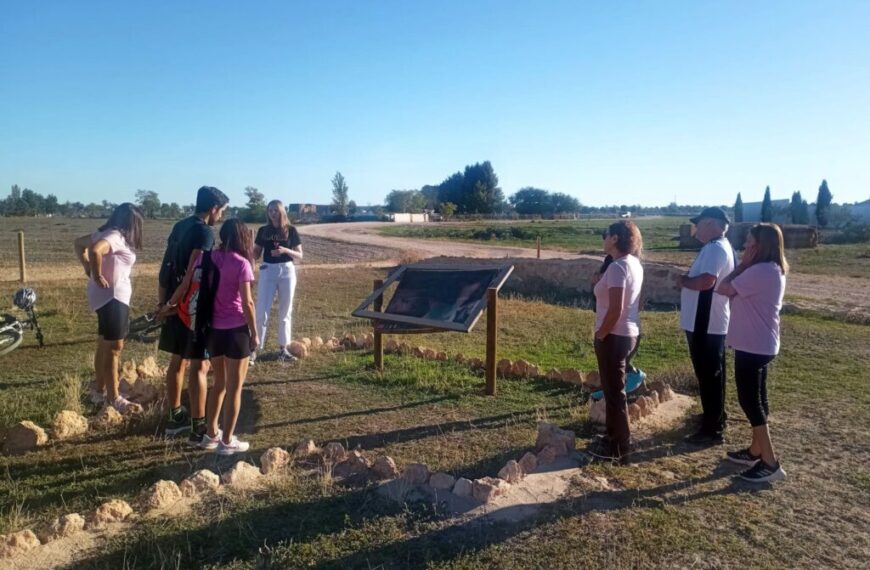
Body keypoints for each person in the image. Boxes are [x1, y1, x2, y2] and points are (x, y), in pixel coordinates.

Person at [165, 219, 258, 454]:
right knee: (235, 388)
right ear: (243, 237)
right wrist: (254, 333)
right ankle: (227, 441)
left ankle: (210, 433)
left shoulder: (206, 258)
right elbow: (247, 302)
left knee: (219, 384)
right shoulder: (242, 264)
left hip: (213, 330)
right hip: (236, 330)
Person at [717, 224, 788, 482]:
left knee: (750, 401)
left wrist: (742, 265)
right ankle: (756, 449)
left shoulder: (758, 270)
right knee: (759, 397)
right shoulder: (773, 269)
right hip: (761, 343)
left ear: (760, 245)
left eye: (749, 242)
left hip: (753, 345)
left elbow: (723, 287)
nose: (745, 246)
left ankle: (769, 462)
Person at [157, 186, 229, 441]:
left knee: (177, 360)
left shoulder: (179, 227)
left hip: (173, 301)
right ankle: (198, 425)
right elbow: (193, 275)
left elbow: (166, 267)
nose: (220, 216)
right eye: (221, 211)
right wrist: (178, 302)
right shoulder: (205, 233)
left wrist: (164, 302)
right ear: (213, 209)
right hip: (193, 307)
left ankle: (174, 415)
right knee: (200, 365)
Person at [74, 203, 144, 413]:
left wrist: (87, 266)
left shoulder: (102, 233)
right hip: (113, 298)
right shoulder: (115, 237)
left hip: (104, 298)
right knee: (115, 348)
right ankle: (114, 398)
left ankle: (99, 389)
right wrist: (95, 273)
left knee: (103, 344)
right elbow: (95, 251)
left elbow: (79, 244)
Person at [674, 207, 736, 445]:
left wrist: (684, 281)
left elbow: (707, 281)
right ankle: (714, 417)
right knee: (711, 374)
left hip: (706, 323)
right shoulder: (716, 247)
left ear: (711, 223)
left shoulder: (715, 248)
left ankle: (712, 428)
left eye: (698, 224)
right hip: (707, 323)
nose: (695, 228)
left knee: (709, 374)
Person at [589, 221, 644, 462]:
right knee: (614, 391)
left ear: (614, 239)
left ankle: (619, 448)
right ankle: (613, 438)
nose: (603, 239)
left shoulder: (617, 268)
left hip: (614, 336)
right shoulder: (634, 264)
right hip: (628, 333)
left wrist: (601, 334)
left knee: (614, 394)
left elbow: (615, 308)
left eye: (605, 235)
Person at [252, 200, 303, 363]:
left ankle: (283, 349)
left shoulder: (291, 230)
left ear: (282, 211)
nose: (272, 213)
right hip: (268, 270)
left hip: (287, 270)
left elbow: (300, 255)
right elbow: (256, 254)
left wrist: (285, 250)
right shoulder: (263, 231)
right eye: (270, 210)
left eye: (275, 210)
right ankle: (254, 349)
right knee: (262, 310)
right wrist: (248, 250)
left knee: (285, 310)